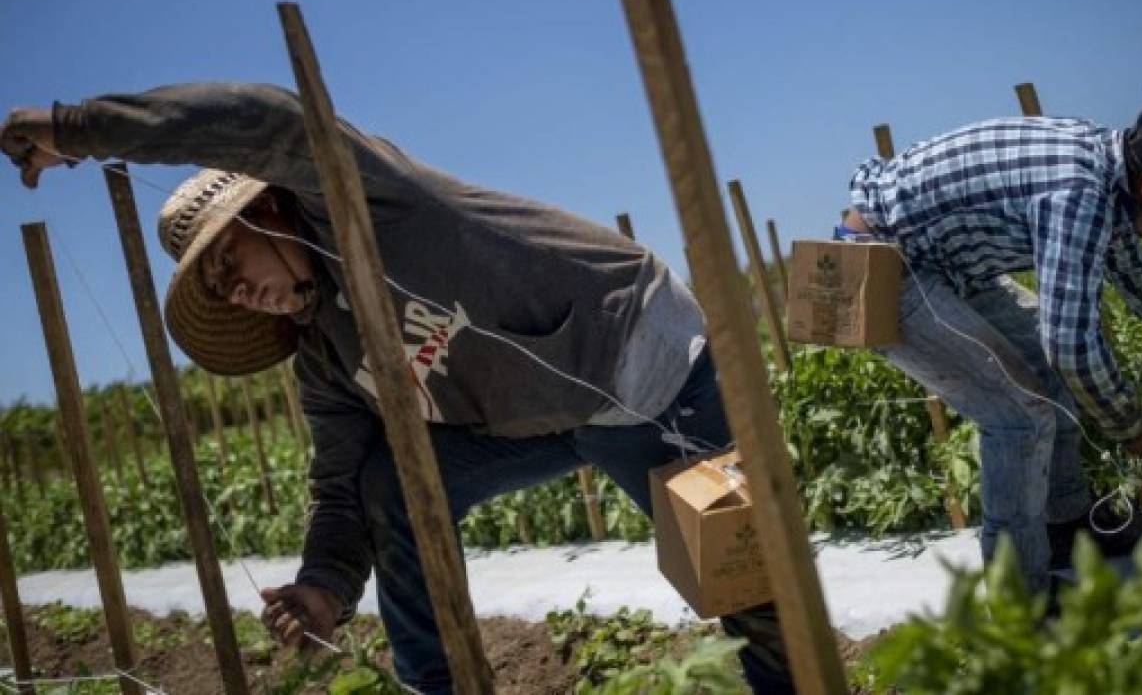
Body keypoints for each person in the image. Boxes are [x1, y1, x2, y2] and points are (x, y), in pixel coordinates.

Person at [0, 82, 793, 693]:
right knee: (394, 481)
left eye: (229, 263)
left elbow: (269, 118)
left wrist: (79, 129)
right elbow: (340, 484)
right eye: (220, 291)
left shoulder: (369, 201)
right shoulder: (323, 354)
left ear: (273, 208)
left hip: (634, 363)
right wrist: (324, 585)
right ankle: (438, 684)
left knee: (738, 571)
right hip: (530, 419)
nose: (237, 292)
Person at [836, 93, 1142, 595]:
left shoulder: (1109, 168)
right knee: (1019, 414)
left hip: (949, 264)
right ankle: (1017, 599)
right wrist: (1132, 426)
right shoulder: (1078, 192)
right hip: (883, 269)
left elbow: (1130, 268)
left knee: (1046, 378)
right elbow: (1070, 345)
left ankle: (1066, 529)